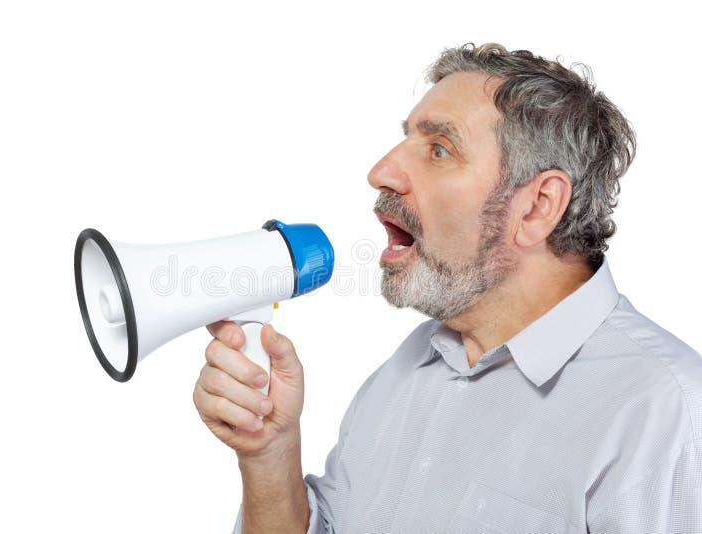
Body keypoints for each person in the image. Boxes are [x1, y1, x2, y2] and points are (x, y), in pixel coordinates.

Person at [193, 43, 702, 533]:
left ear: (538, 206)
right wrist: (269, 454)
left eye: (439, 149)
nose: (381, 172)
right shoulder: (408, 370)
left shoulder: (665, 411)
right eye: (407, 140)